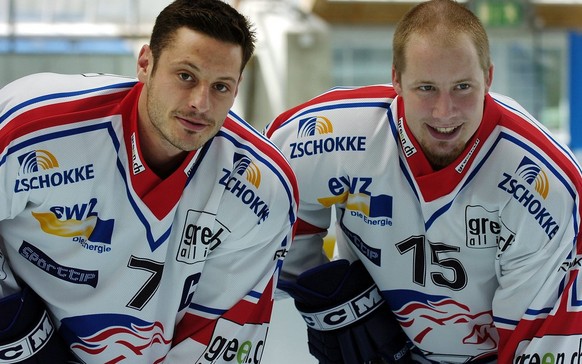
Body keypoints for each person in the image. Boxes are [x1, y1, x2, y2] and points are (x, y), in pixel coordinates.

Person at [265, 0, 582, 362]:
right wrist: (328, 300)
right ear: (396, 79)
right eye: (426, 88)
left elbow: (537, 338)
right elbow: (273, 202)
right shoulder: (332, 136)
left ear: (488, 78)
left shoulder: (543, 182)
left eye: (463, 87)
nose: (444, 112)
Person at [0, 0, 298, 362]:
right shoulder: (33, 128)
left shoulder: (262, 189)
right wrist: (16, 334)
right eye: (185, 76)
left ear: (237, 89)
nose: (200, 103)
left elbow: (218, 339)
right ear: (145, 64)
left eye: (220, 86)